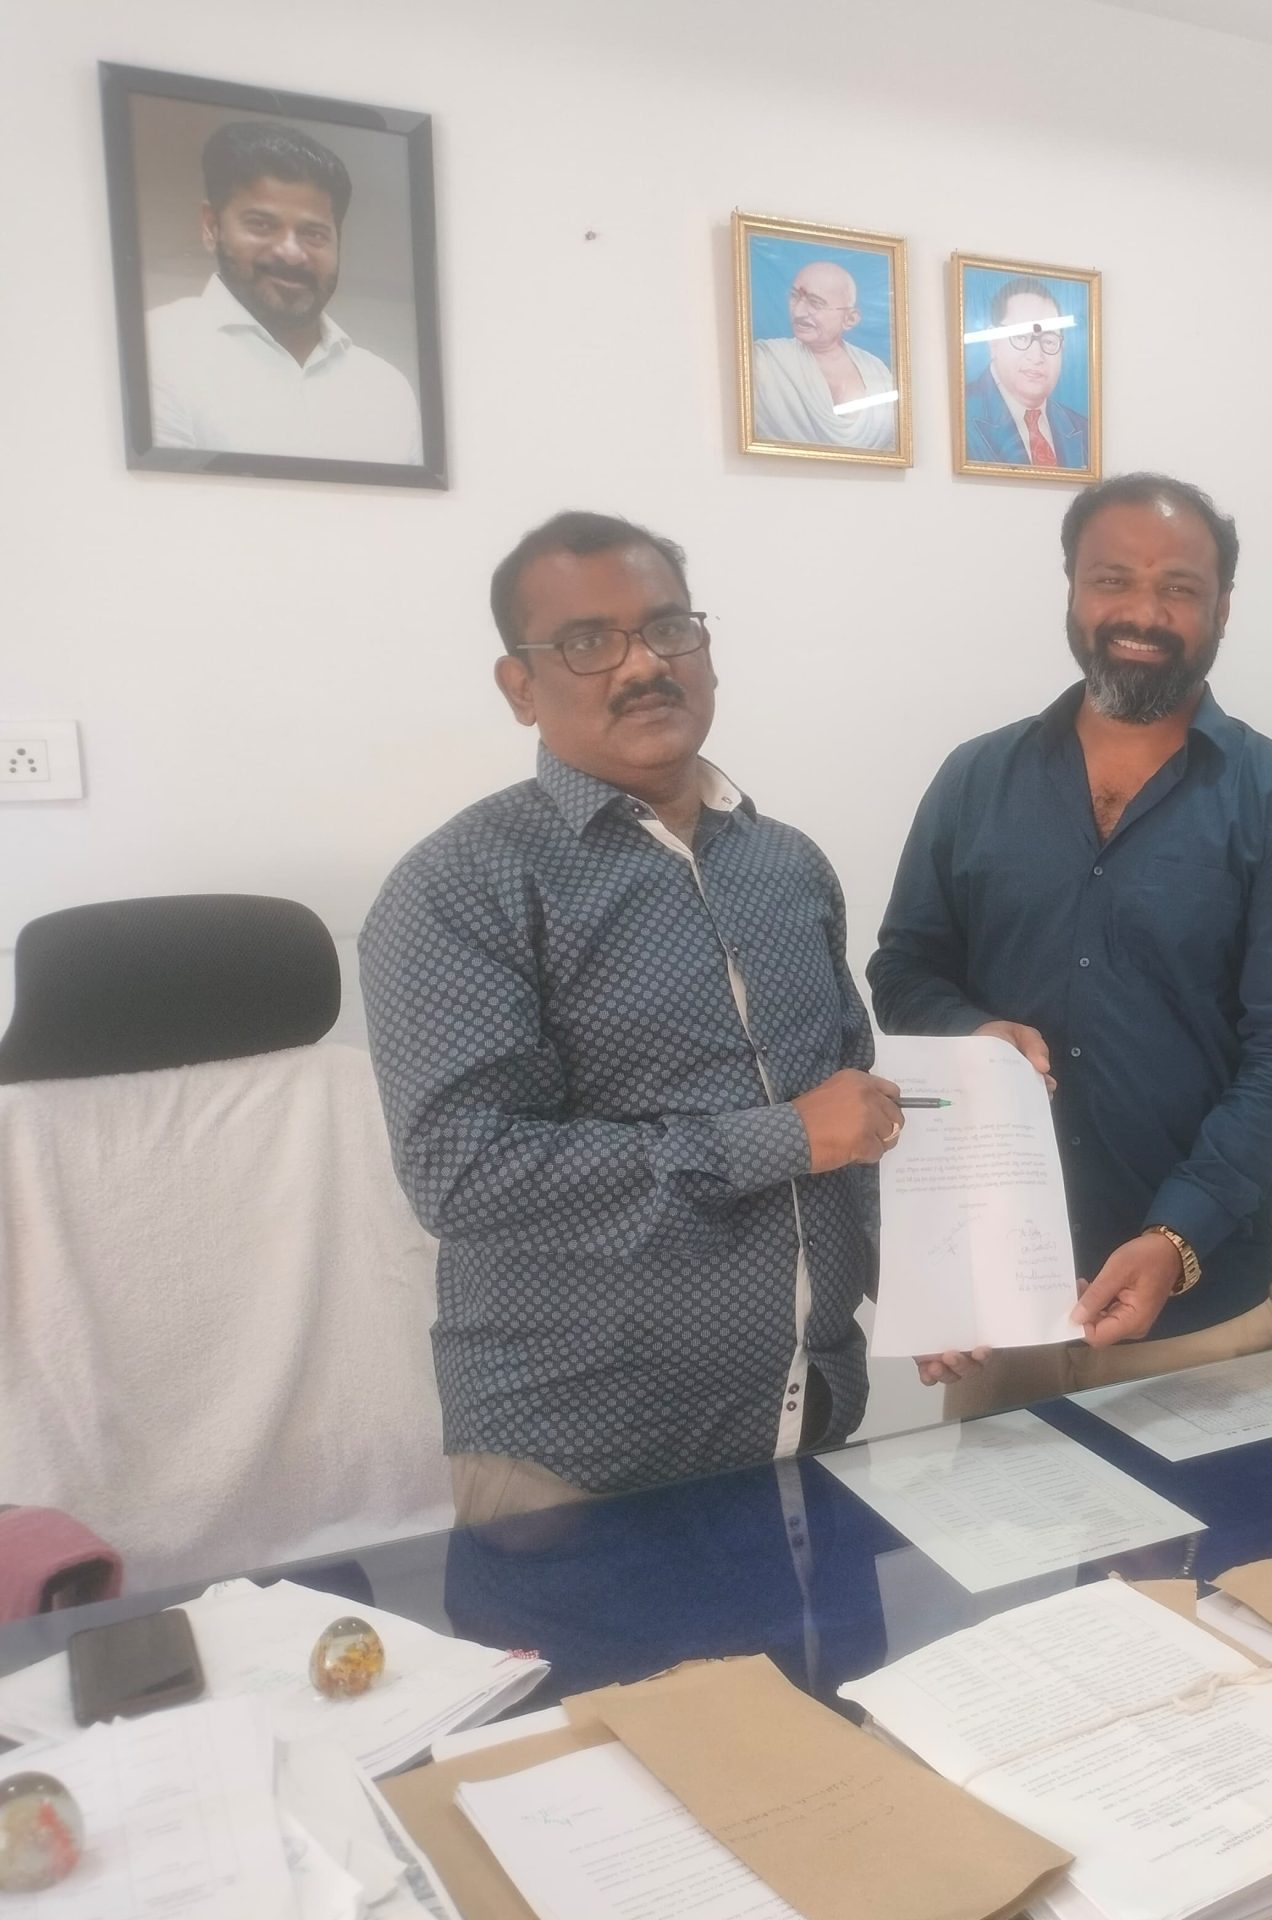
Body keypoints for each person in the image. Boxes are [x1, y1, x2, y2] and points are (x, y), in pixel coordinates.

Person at [360, 512, 900, 1524]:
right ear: (520, 687)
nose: (643, 664)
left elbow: (853, 1114)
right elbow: (464, 1174)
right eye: (586, 642)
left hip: (815, 1417)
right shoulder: (463, 886)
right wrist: (782, 1139)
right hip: (582, 1460)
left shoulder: (788, 865)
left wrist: (934, 1287)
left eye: (668, 628)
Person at [870, 473, 1272, 1414]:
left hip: (1198, 1320)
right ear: (1071, 589)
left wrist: (1177, 1236)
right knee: (998, 1521)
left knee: (1212, 1526)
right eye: (1112, 580)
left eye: (1179, 587)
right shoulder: (975, 780)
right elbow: (904, 968)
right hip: (1001, 1313)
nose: (1143, 612)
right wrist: (974, 1032)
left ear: (1223, 608)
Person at [146, 119, 423, 464]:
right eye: (261, 225)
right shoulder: (157, 349)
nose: (291, 253)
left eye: (314, 233)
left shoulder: (387, 390)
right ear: (211, 227)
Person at [749, 259, 899, 453]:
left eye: (815, 303)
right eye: (794, 297)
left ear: (850, 319)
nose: (798, 311)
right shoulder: (765, 360)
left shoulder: (877, 372)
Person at [962, 276, 1088, 470]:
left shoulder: (1083, 428)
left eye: (1049, 341)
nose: (1036, 356)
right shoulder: (962, 415)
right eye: (1021, 337)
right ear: (993, 341)